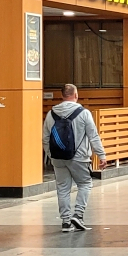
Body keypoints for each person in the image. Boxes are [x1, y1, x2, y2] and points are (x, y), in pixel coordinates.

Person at [43, 84, 106, 231]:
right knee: (85, 184)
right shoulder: (84, 113)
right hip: (79, 157)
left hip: (58, 158)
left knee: (63, 188)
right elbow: (93, 136)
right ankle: (78, 215)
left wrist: (51, 155)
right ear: (76, 95)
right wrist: (101, 155)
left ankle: (66, 222)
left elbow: (45, 138)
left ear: (62, 96)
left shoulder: (51, 114)